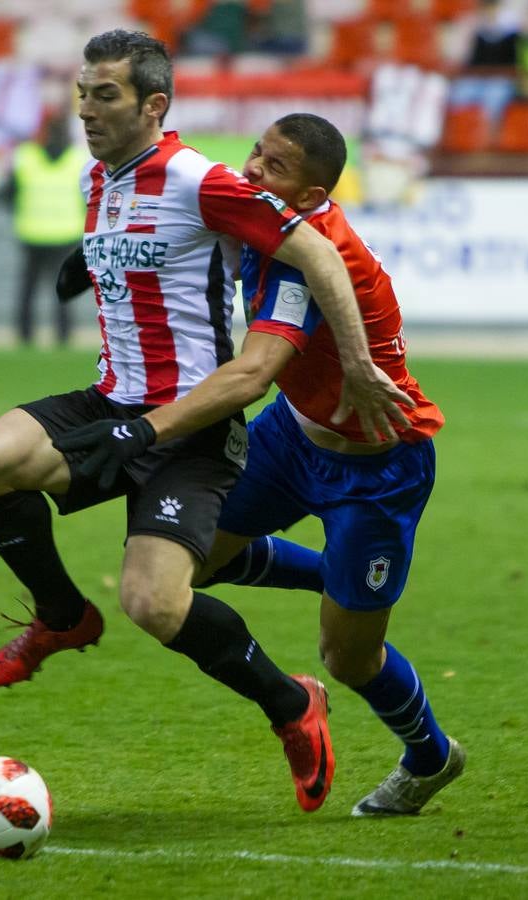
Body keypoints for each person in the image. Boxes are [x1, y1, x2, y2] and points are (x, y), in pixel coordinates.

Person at [0, 29, 412, 814]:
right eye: (83, 94)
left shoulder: (198, 178)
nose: (87, 110)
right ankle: (62, 617)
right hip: (110, 401)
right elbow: (152, 245)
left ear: (152, 104)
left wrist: (363, 361)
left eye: (106, 96)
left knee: (156, 605)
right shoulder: (105, 176)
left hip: (189, 426)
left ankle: (291, 704)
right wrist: (86, 252)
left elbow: (320, 255)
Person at [55, 113, 464, 817]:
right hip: (289, 439)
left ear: (307, 198)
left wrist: (140, 432)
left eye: (273, 168)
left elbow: (252, 375)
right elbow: (185, 215)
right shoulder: (264, 216)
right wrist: (98, 250)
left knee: (348, 660)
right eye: (254, 152)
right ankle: (329, 576)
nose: (250, 171)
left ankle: (429, 757)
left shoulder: (313, 255)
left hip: (377, 463)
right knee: (189, 568)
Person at [5, 110, 87, 345]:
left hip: (32, 231)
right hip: (66, 232)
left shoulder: (25, 156)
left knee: (28, 288)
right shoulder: (77, 159)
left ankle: (25, 334)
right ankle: (63, 335)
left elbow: (10, 194)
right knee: (63, 289)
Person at [447, 0, 521, 124]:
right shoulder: (475, 28)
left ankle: (485, 136)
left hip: (500, 79)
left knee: (494, 98)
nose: (491, 11)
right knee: (459, 94)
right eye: (488, 8)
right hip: (476, 78)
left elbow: (514, 62)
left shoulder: (512, 31)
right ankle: (461, 131)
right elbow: (465, 59)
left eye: (494, 7)